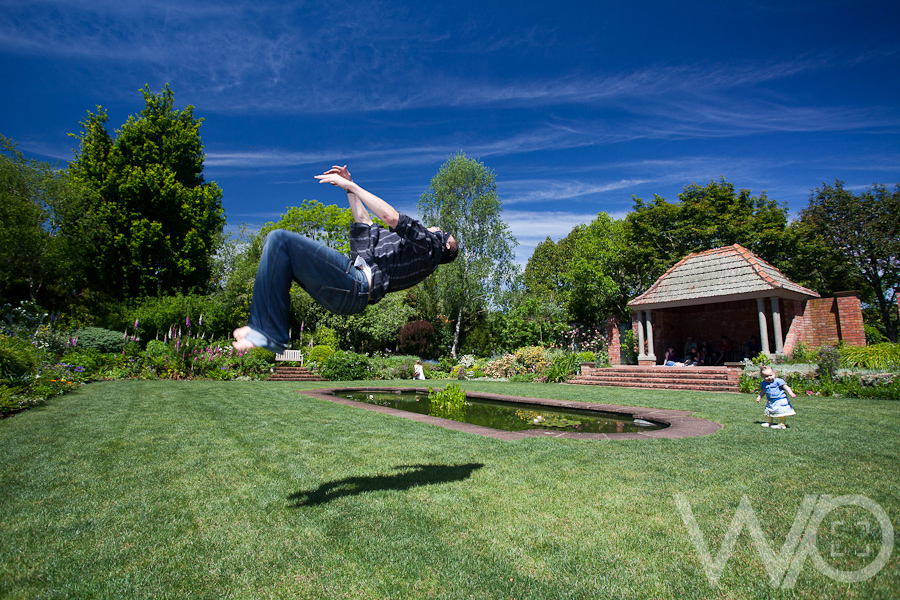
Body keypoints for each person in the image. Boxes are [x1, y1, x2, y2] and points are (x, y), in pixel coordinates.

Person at [233, 166, 459, 353]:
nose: (435, 226)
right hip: (344, 294)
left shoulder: (431, 248)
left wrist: (353, 186)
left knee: (280, 240)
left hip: (355, 285)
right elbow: (364, 222)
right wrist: (349, 186)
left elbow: (390, 216)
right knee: (282, 252)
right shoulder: (406, 248)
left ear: (446, 243)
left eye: (442, 231)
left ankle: (267, 332)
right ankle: (262, 328)